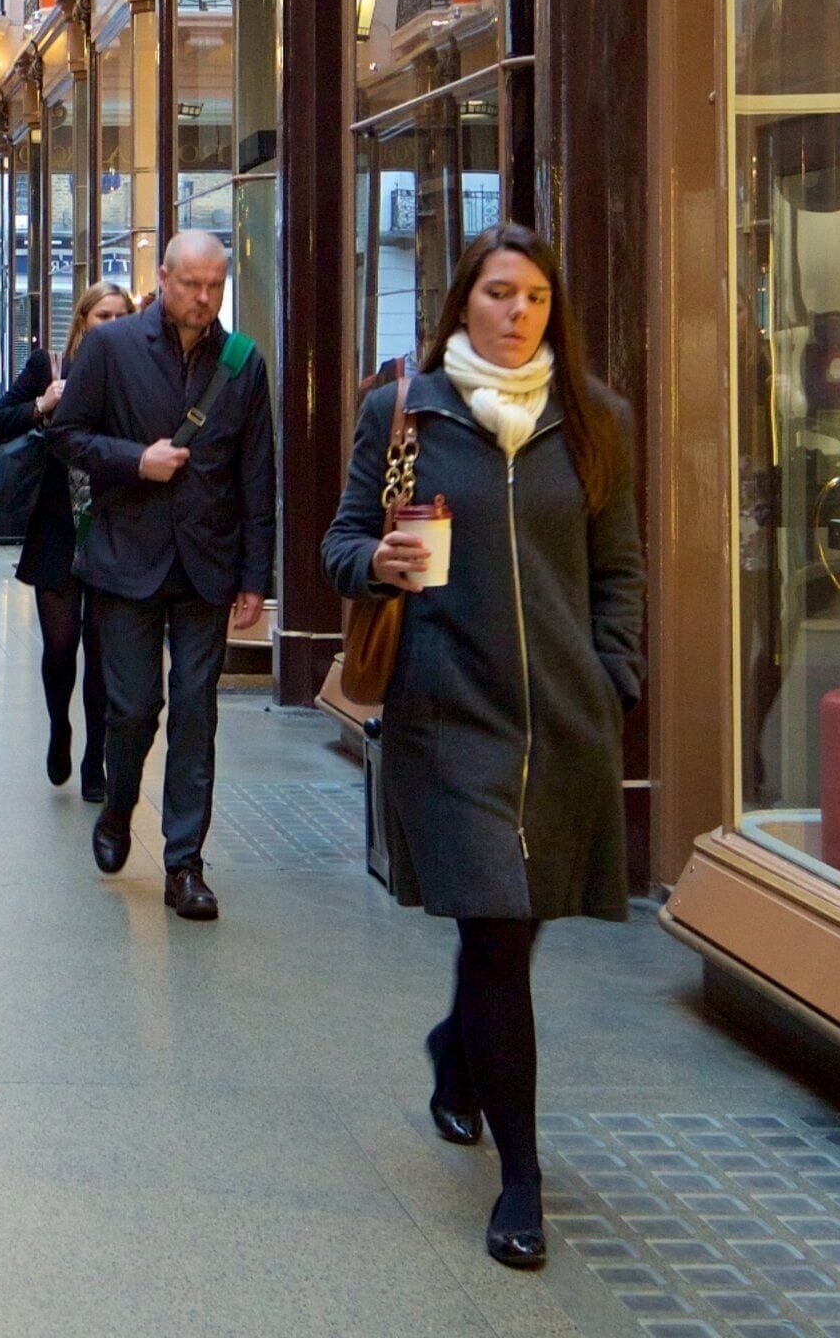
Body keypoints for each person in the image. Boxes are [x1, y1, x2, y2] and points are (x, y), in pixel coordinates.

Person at [324, 226, 640, 1273]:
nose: (518, 314)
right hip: (447, 715)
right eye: (500, 294)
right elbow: (338, 543)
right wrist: (379, 559)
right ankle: (523, 1179)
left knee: (514, 926)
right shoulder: (402, 414)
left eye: (537, 298)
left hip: (561, 724)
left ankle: (457, 1058)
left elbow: (618, 572)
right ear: (463, 302)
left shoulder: (594, 424)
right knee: (500, 932)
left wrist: (613, 677)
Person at [51, 233, 271, 922]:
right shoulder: (113, 350)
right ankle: (118, 810)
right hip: (127, 559)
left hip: (209, 564)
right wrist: (132, 460)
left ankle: (185, 865)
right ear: (163, 278)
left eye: (215, 285)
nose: (203, 298)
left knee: (198, 714)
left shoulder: (243, 363)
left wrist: (256, 576)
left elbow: (257, 474)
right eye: (190, 284)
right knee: (135, 708)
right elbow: (66, 436)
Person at [0, 282, 135, 796]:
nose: (111, 325)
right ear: (82, 321)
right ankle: (59, 730)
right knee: (60, 645)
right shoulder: (48, 367)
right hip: (56, 526)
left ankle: (96, 757)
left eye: (120, 316)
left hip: (111, 527)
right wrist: (42, 406)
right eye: (102, 316)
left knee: (99, 650)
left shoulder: (136, 377)